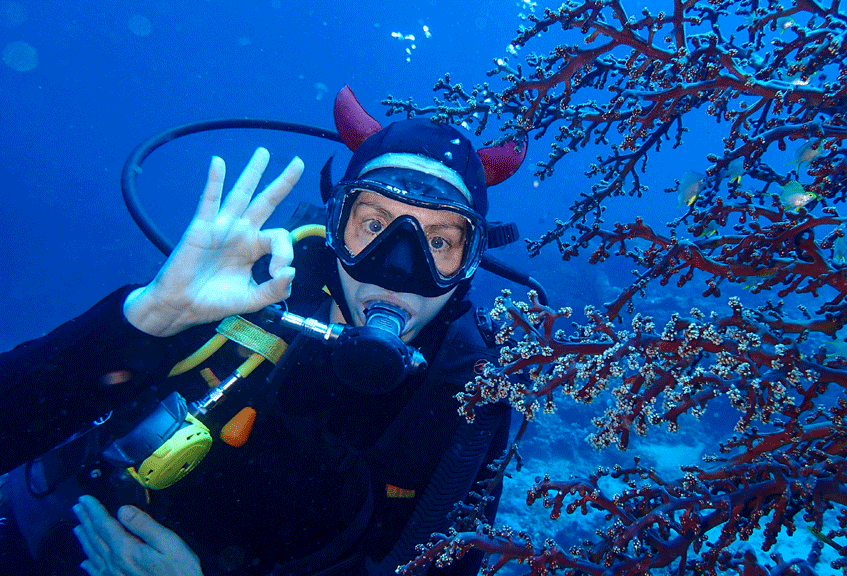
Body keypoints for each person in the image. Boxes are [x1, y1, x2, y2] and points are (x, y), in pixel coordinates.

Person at [0, 87, 526, 576]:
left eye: (439, 243)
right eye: (372, 225)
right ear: (334, 223)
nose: (397, 268)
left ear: (470, 263)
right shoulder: (242, 294)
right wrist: (145, 319)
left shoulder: (469, 398)